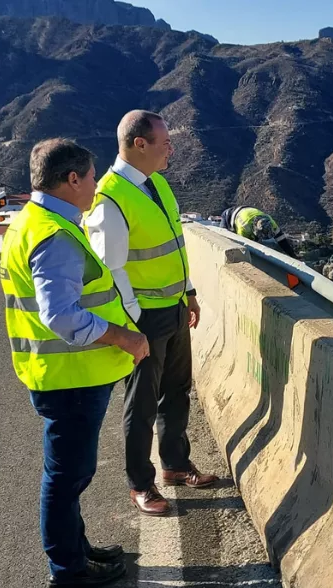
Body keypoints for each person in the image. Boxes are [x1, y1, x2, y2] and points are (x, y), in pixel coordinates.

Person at [1, 138, 151, 588]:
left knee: (70, 475)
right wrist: (124, 336)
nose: (94, 185)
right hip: (71, 380)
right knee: (66, 477)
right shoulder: (54, 235)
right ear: (71, 179)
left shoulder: (34, 221)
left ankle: (76, 550)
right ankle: (68, 570)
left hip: (59, 376)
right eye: (89, 176)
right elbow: (63, 316)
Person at [85, 110, 218, 517]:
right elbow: (112, 269)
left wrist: (189, 292)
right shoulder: (109, 198)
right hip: (145, 317)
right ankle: (140, 484)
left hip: (174, 306)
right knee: (141, 403)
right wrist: (134, 321)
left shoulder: (156, 183)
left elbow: (174, 244)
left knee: (177, 391)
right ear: (138, 144)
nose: (170, 150)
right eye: (164, 143)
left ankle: (175, 465)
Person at [220, 206, 296, 256]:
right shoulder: (244, 227)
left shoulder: (271, 222)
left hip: (246, 211)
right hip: (228, 216)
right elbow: (243, 247)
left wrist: (292, 255)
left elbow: (281, 239)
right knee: (224, 242)